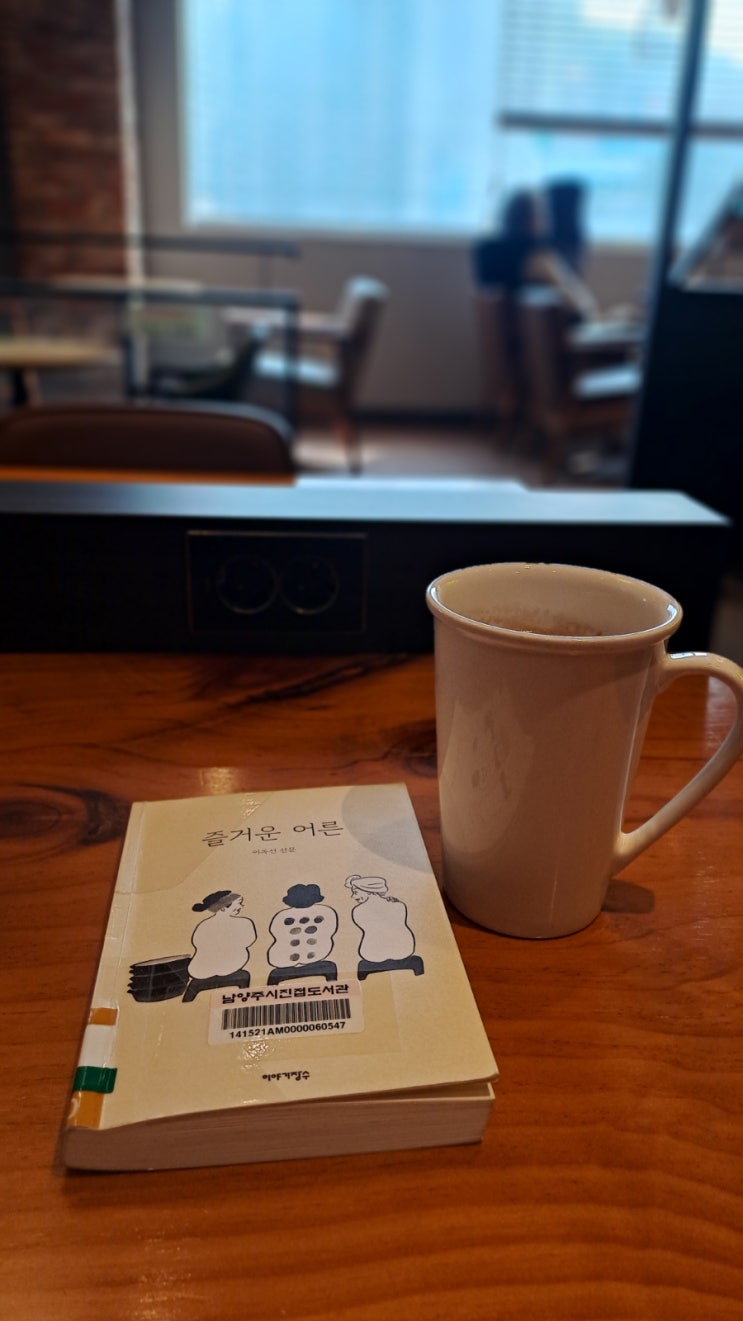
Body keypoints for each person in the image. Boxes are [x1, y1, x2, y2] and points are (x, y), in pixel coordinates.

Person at [472, 187, 599, 323]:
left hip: (507, 330)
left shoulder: (487, 251)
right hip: (540, 332)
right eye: (543, 215)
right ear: (534, 218)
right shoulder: (538, 257)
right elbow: (576, 304)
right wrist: (594, 316)